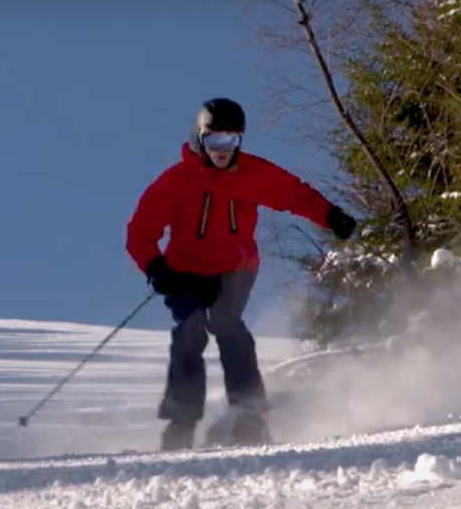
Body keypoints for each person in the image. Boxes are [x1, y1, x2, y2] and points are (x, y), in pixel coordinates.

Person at [125, 97, 356, 451]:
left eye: (232, 141)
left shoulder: (252, 173)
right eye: (215, 140)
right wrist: (155, 267)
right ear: (200, 138)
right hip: (183, 273)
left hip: (234, 269)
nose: (223, 150)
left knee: (227, 324)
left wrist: (330, 215)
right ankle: (181, 422)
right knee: (189, 332)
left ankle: (250, 415)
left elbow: (294, 194)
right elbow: (140, 231)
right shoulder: (177, 181)